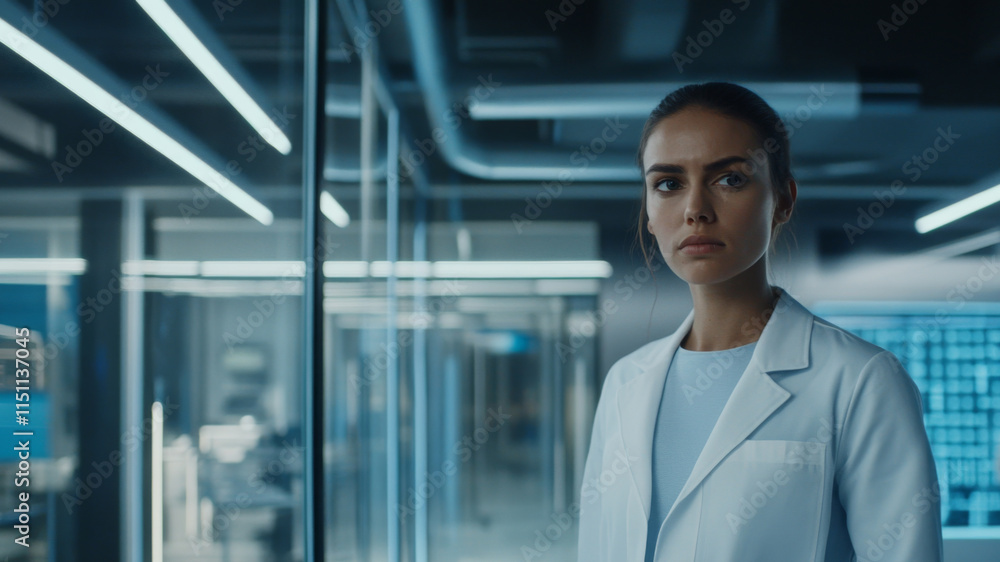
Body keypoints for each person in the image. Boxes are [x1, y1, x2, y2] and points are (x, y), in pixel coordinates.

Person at [576, 82, 943, 561]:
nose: (695, 211)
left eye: (730, 179)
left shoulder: (860, 381)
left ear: (783, 200)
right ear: (648, 211)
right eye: (668, 183)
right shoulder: (625, 382)